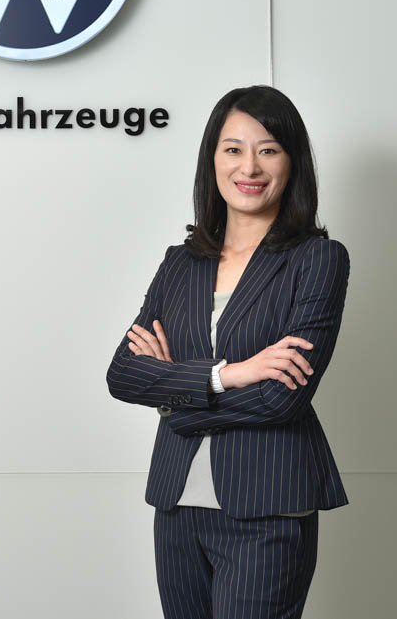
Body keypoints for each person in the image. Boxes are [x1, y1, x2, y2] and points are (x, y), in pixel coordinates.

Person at [105, 85, 351, 619]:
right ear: (212, 160)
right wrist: (231, 374)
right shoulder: (181, 263)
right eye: (233, 149)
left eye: (268, 149)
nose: (249, 167)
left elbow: (281, 399)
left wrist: (173, 398)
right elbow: (123, 374)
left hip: (267, 508)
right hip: (177, 507)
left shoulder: (318, 260)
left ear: (292, 162)